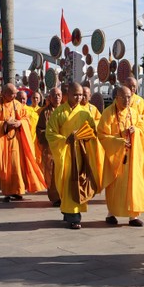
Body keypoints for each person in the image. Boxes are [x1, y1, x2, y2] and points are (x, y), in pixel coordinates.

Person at [46, 82, 104, 229]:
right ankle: (68, 213)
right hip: (64, 154)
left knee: (78, 183)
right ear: (68, 95)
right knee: (66, 184)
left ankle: (74, 217)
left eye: (81, 95)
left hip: (80, 154)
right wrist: (65, 139)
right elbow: (50, 134)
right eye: (75, 95)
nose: (79, 98)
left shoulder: (84, 113)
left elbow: (93, 131)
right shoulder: (58, 112)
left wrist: (85, 137)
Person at [98, 85, 144, 227]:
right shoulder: (108, 113)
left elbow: (143, 130)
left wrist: (135, 130)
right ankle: (111, 213)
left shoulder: (134, 113)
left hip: (133, 157)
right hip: (116, 157)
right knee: (115, 187)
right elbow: (101, 134)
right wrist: (119, 141)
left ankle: (133, 216)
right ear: (116, 98)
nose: (127, 100)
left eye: (129, 97)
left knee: (134, 185)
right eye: (123, 97)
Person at [0, 83, 46, 202]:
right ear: (4, 93)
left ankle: (18, 191)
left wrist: (20, 123)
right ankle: (7, 192)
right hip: (3, 140)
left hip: (16, 141)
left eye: (15, 93)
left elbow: (26, 119)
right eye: (12, 94)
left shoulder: (18, 105)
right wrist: (5, 123)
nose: (14, 96)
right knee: (5, 167)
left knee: (16, 166)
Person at [36, 87, 62, 206]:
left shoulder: (65, 110)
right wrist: (52, 136)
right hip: (50, 148)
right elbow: (40, 130)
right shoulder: (45, 112)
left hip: (63, 147)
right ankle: (55, 197)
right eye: (54, 95)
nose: (57, 97)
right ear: (50, 98)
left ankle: (63, 195)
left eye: (59, 95)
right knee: (51, 173)